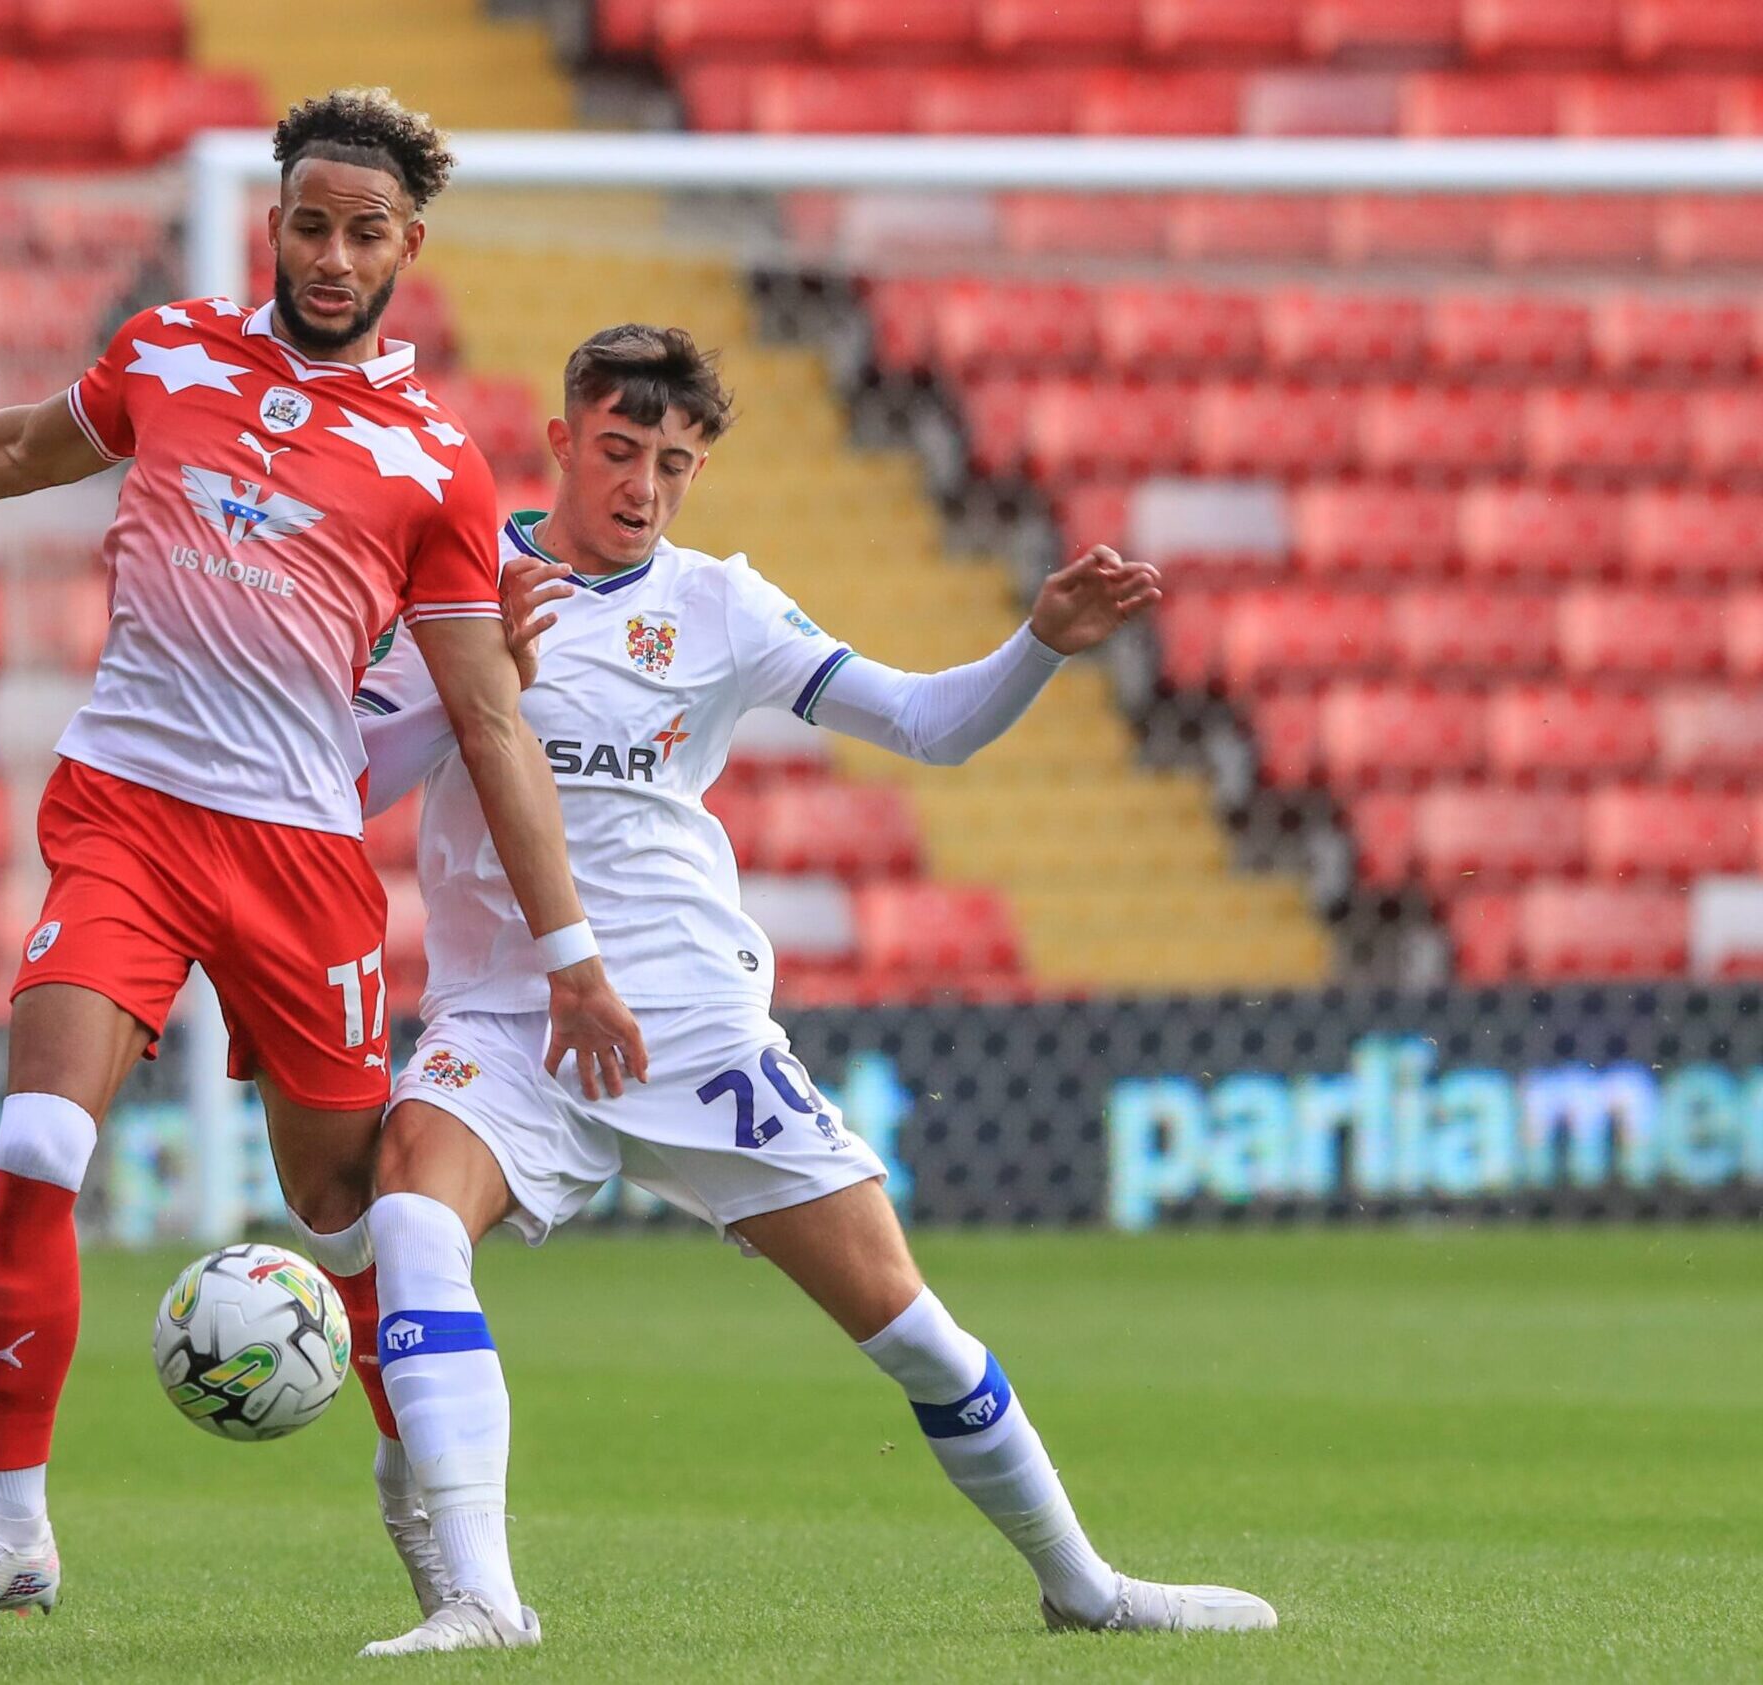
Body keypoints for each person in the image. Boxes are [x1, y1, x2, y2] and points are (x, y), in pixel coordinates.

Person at [0, 90, 647, 1648]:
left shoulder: (434, 463)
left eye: (365, 232)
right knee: (36, 1141)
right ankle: (9, 1529)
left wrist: (571, 949)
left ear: (406, 249)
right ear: (274, 219)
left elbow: (490, 720)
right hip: (129, 814)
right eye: (310, 221)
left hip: (300, 857)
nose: (331, 253)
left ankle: (438, 1522)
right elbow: (35, 442)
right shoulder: (169, 349)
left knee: (350, 1209)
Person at [344, 325, 1277, 1654]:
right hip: (511, 1017)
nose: (645, 486)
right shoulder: (464, 585)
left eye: (674, 463)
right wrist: (475, 679)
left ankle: (1087, 1584)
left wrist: (1041, 644)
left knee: (914, 1333)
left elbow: (925, 724)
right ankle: (487, 1599)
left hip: (690, 1021)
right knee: (412, 1219)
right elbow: (347, 780)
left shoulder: (722, 604)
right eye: (619, 450)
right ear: (560, 442)